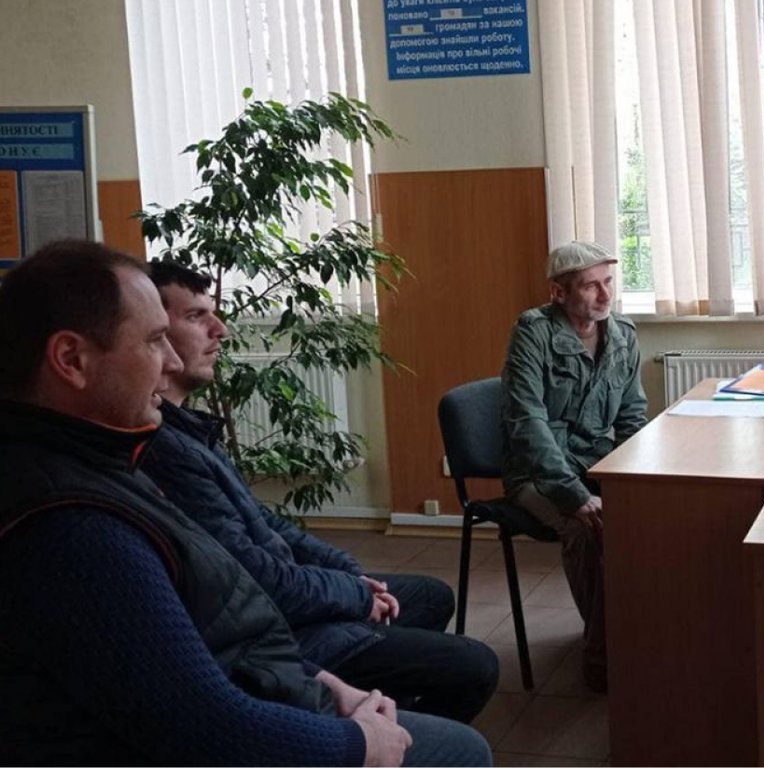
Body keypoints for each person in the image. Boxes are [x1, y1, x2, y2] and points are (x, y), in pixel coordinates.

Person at [0, 240, 490, 766]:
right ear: (72, 360)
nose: (170, 362)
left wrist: (324, 681)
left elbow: (217, 616)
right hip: (246, 714)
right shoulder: (74, 528)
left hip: (270, 673)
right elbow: (204, 727)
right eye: (155, 340)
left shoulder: (102, 463)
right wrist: (360, 743)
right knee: (463, 750)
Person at [140, 261, 499, 724]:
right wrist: (353, 595)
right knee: (475, 667)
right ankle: (374, 732)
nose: (220, 329)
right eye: (195, 317)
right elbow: (255, 581)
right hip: (279, 632)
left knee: (430, 596)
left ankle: (380, 712)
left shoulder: (190, 429)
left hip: (289, 604)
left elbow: (266, 522)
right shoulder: (166, 451)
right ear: (154, 336)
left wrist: (350, 574)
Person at [501, 241, 648, 692]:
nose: (605, 295)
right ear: (559, 293)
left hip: (596, 464)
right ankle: (603, 658)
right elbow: (527, 424)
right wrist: (573, 494)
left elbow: (632, 417)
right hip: (537, 473)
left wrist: (635, 482)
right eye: (590, 286)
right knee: (586, 528)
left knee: (649, 514)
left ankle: (639, 635)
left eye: (608, 282)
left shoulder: (622, 335)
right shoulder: (533, 333)